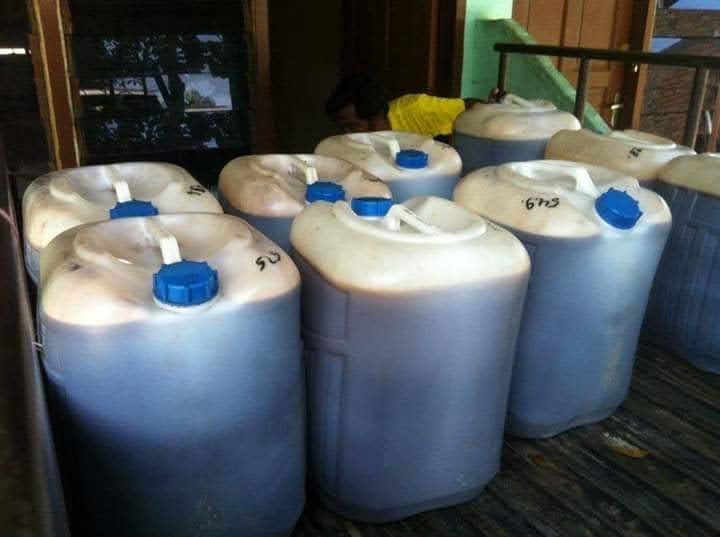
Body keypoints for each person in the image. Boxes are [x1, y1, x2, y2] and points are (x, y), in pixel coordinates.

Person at [325, 73, 502, 137]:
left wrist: (495, 111)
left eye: (351, 126)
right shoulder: (357, 144)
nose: (346, 134)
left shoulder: (416, 110)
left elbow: (469, 107)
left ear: (374, 117)